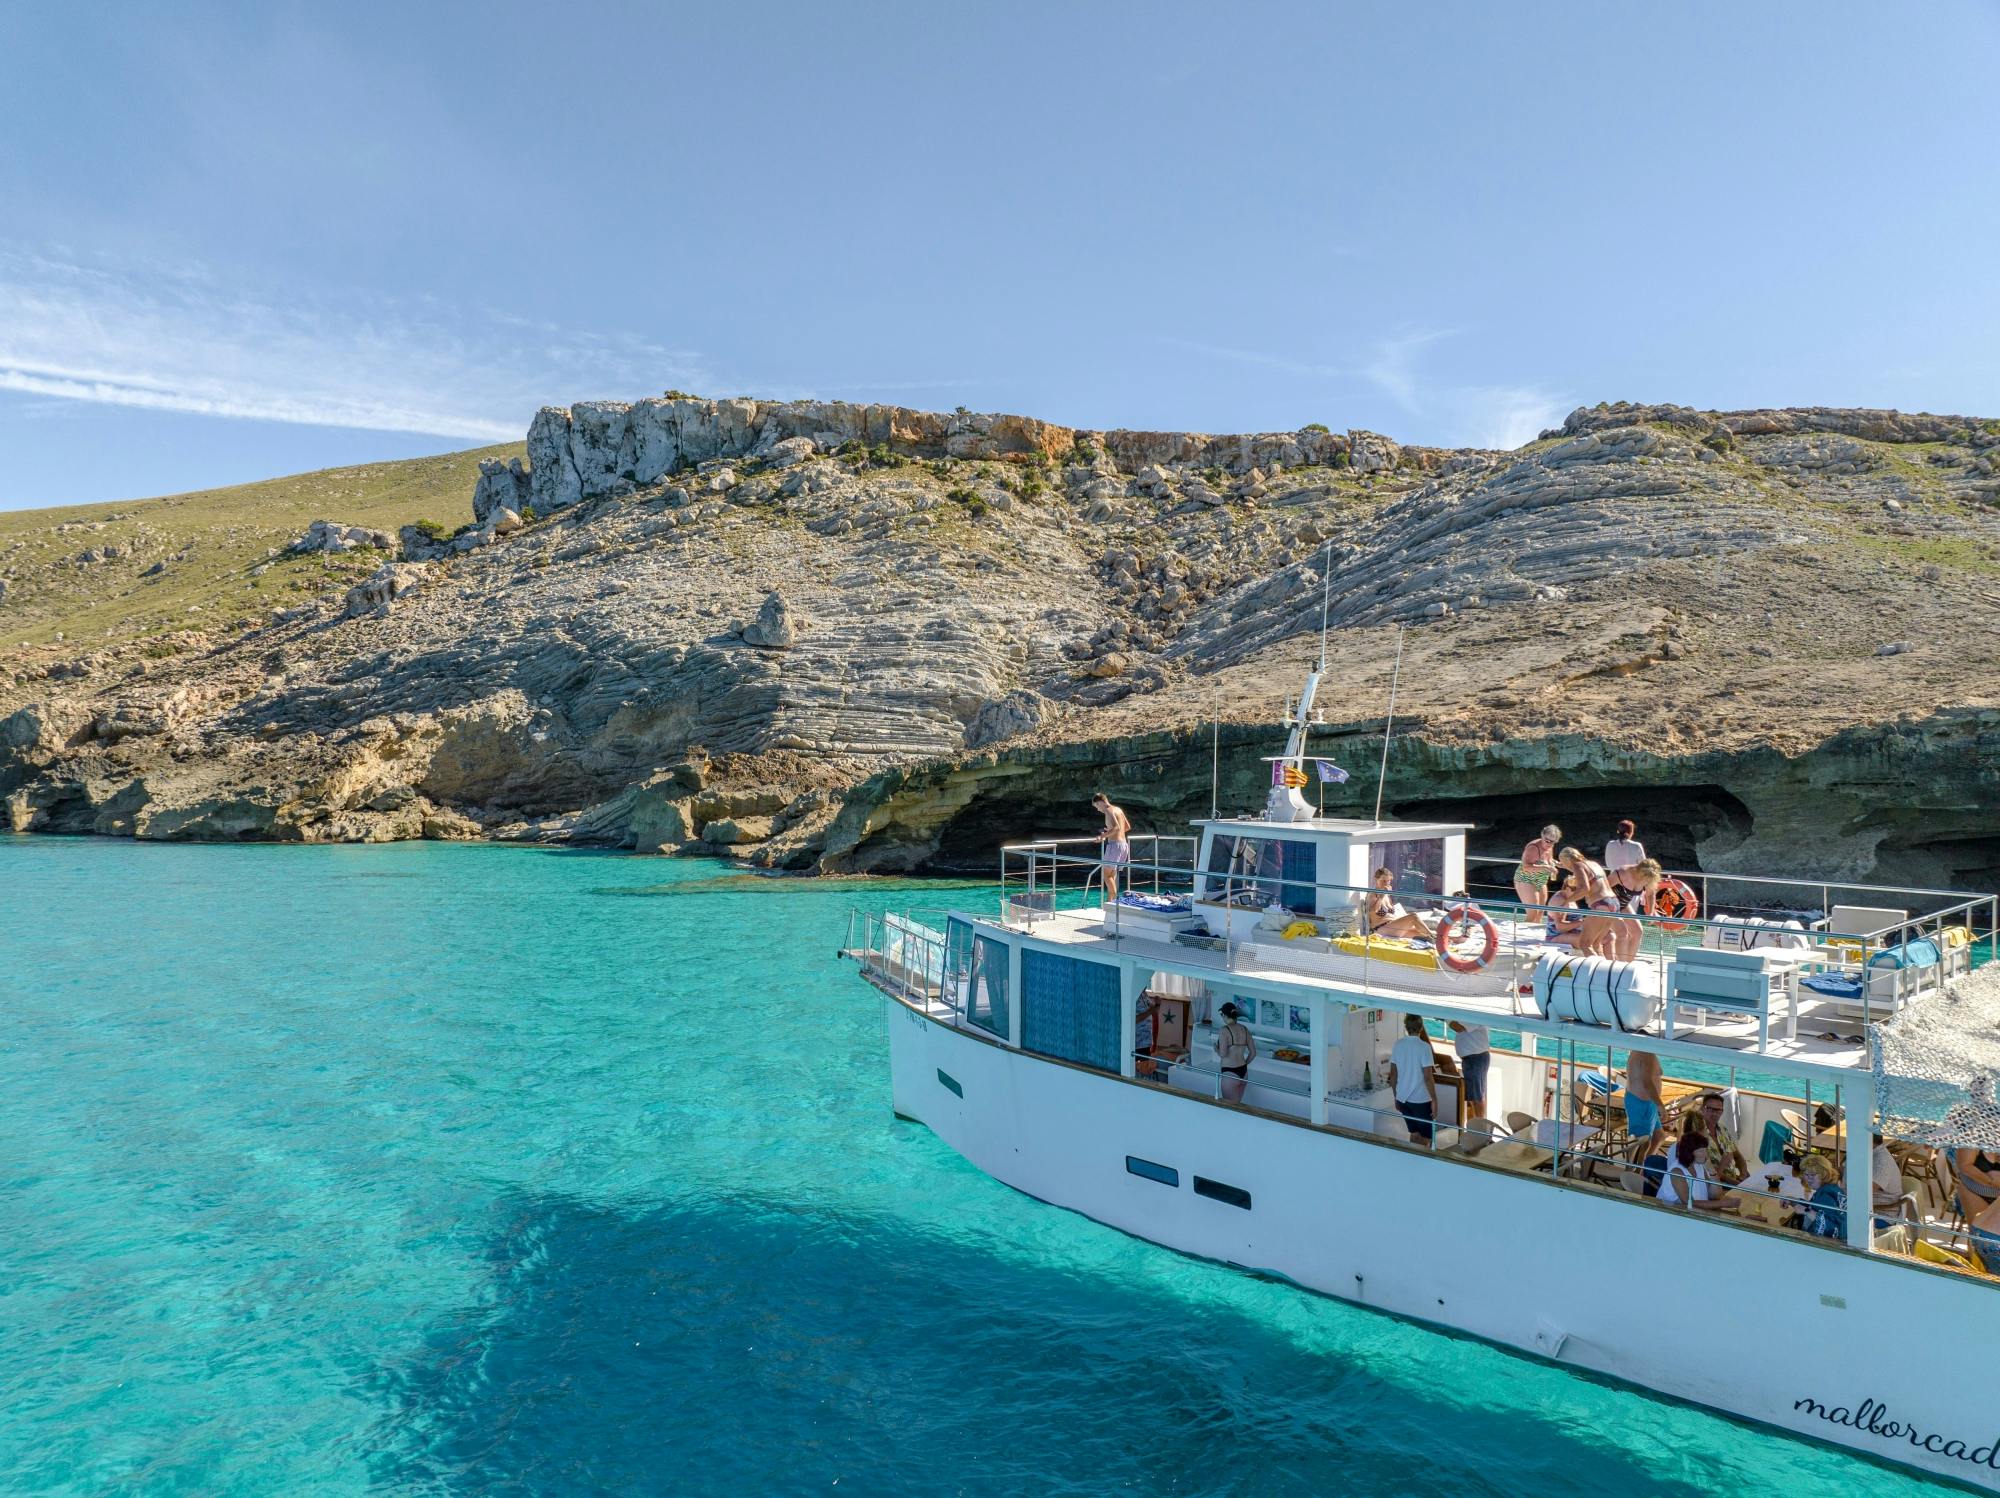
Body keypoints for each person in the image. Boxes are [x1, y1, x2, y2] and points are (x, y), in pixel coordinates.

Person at [1559, 846, 1622, 958]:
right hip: (1613, 902)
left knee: (1585, 944)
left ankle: (1597, 972)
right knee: (1597, 944)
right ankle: (1607, 970)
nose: (1564, 865)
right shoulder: (1593, 864)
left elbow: (1584, 889)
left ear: (1567, 860)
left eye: (1563, 862)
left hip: (1601, 905)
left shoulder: (1577, 866)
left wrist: (1566, 902)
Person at [1387, 1014, 1439, 1144]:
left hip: (1403, 1099)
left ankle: (1412, 1161)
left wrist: (1396, 1097)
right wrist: (1434, 1099)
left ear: (1406, 1027)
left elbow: (1393, 1076)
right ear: (1421, 1027)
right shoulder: (1424, 1047)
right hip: (1421, 1099)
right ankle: (1422, 1163)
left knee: (1414, 1134)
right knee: (1426, 1138)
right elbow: (1428, 1077)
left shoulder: (1398, 1045)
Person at [1659, 1133, 1737, 1212]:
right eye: (1701, 1151)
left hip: (1695, 1213)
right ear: (1689, 1152)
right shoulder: (1677, 1171)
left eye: (1705, 1150)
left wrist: (1712, 1171)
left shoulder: (1699, 1165)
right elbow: (1688, 1203)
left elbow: (1714, 1195)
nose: (1705, 1154)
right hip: (1673, 1214)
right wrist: (1723, 1204)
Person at [1610, 858, 1666, 961]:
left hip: (1623, 905)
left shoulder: (1648, 878)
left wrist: (1651, 912)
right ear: (1639, 871)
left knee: (1637, 932)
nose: (1646, 881)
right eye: (1645, 878)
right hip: (1608, 905)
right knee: (1622, 933)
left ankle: (1628, 962)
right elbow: (1602, 889)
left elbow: (1650, 893)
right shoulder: (1621, 873)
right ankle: (1620, 965)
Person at [1693, 1092, 1749, 1185]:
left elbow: (1738, 1156)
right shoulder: (1697, 1133)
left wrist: (1743, 1175)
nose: (1714, 1114)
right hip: (1713, 1184)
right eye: (1710, 1109)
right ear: (1702, 1109)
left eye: (1718, 1110)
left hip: (1733, 1180)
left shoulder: (1723, 1129)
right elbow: (1704, 1168)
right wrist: (1735, 1183)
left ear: (1722, 1111)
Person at [1366, 868, 1431, 940]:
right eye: (1383, 881)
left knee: (1424, 935)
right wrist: (1382, 896)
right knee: (1413, 916)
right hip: (1381, 928)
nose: (1386, 883)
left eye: (1388, 881)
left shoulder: (1386, 894)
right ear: (1376, 879)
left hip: (1393, 926)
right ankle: (1436, 939)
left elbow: (1390, 911)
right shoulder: (1372, 894)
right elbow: (1372, 911)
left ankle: (1437, 940)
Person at [1623, 1049, 1666, 1156]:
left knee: (1658, 1137)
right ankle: (1636, 1169)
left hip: (1645, 1102)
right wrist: (1660, 1106)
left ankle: (1644, 1166)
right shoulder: (1645, 1052)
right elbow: (1646, 1082)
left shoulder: (1642, 1051)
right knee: (1642, 1143)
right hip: (1641, 1103)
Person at [1447, 1020, 1491, 1125]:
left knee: (1477, 1096)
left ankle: (1480, 1129)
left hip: (1476, 1058)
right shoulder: (1468, 1016)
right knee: (1474, 1095)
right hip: (1471, 1058)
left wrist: (1446, 1017)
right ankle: (1474, 1126)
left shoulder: (1474, 1015)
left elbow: (1458, 1027)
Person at [1795, 1154, 1848, 1239]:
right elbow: (1817, 1208)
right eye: (1806, 1174)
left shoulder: (1825, 1195)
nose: (1808, 1178)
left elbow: (1831, 1229)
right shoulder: (1832, 1188)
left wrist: (1806, 1211)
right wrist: (1793, 1202)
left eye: (1812, 1174)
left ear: (1824, 1174)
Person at [1091, 792, 1131, 904]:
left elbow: (1117, 828)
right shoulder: (1118, 809)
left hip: (1114, 846)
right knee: (1112, 876)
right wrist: (1109, 832)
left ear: (1101, 802)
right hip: (1123, 845)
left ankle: (1115, 902)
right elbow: (1126, 827)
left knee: (1106, 875)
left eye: (1097, 806)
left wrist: (1102, 836)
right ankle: (1109, 904)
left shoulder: (1108, 810)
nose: (1098, 809)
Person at [1513, 824, 1562, 912]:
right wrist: (1545, 867)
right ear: (1542, 836)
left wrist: (1557, 863)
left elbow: (1549, 859)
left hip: (1541, 879)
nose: (1550, 844)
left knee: (1541, 911)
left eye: (1553, 842)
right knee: (1533, 912)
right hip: (1526, 879)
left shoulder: (1550, 846)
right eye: (1547, 841)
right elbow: (1526, 867)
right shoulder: (1533, 847)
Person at [1214, 1002, 1256, 1104]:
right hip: (1244, 1073)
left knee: (1229, 1108)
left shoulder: (1224, 1030)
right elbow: (1253, 1053)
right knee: (1237, 1105)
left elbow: (1223, 1054)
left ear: (1224, 1015)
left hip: (1230, 1074)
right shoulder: (1245, 1029)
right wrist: (1245, 1064)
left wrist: (1216, 1049)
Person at [1604, 820, 1647, 906]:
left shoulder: (1610, 844)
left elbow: (1608, 864)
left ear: (1618, 831)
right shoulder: (1636, 846)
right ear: (1631, 832)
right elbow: (1644, 866)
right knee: (1630, 915)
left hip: (1613, 884)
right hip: (1631, 885)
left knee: (1614, 913)